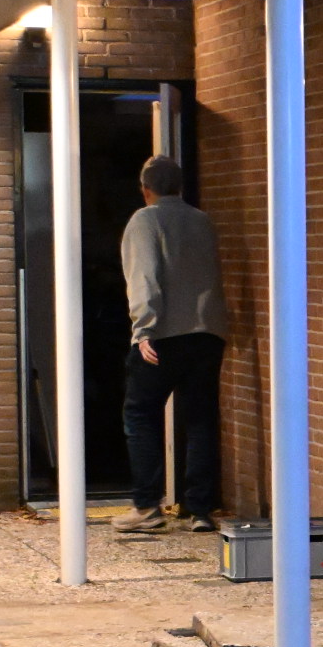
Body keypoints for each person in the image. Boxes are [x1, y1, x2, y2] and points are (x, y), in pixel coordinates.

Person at [113, 155, 228, 534]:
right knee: (200, 421)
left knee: (140, 415)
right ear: (179, 186)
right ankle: (200, 510)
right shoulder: (202, 220)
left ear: (145, 189)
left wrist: (143, 329)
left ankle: (147, 506)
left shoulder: (144, 221)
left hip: (163, 336)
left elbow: (144, 278)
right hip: (207, 334)